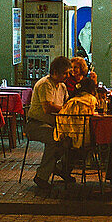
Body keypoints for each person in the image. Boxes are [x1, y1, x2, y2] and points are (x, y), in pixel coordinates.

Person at [28, 55, 73, 190]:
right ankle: (41, 176)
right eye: (64, 73)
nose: (67, 76)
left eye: (68, 73)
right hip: (36, 124)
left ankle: (59, 168)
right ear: (54, 72)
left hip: (55, 124)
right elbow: (47, 107)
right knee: (54, 139)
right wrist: (66, 109)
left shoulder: (62, 87)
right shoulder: (45, 84)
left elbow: (66, 102)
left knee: (73, 140)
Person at [54, 76, 99, 177]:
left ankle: (63, 167)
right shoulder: (91, 100)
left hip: (65, 134)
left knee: (74, 146)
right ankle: (63, 168)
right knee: (88, 144)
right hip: (84, 137)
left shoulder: (71, 101)